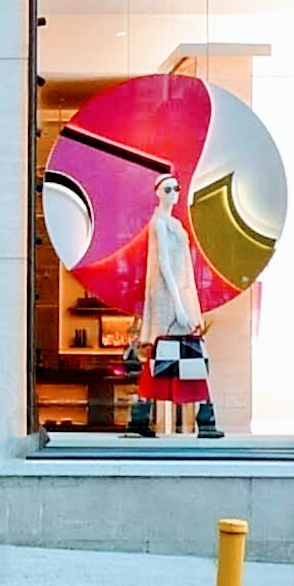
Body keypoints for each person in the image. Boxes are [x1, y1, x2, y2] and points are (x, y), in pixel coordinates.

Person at [134, 171, 219, 438]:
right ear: (158, 192)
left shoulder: (173, 223)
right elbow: (164, 265)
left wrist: (187, 301)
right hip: (169, 296)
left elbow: (180, 266)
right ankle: (204, 414)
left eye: (176, 189)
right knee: (177, 352)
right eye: (168, 189)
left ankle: (144, 413)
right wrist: (179, 305)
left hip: (179, 292)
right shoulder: (159, 223)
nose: (173, 194)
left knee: (173, 354)